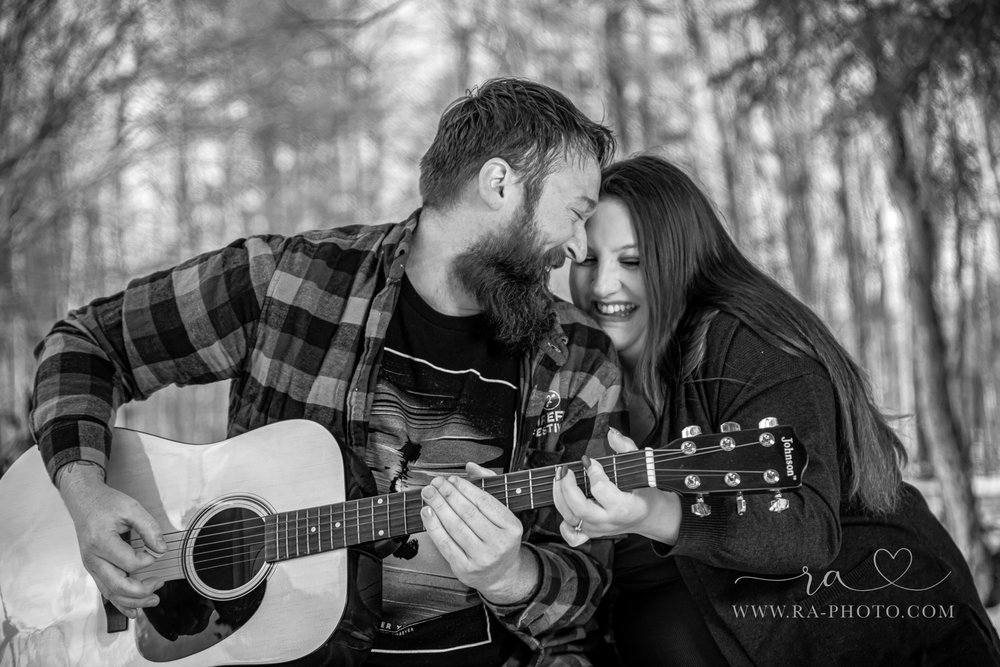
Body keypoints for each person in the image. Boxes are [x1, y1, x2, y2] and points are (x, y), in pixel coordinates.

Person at [29, 78, 624, 666]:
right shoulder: (287, 282)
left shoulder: (577, 357)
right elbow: (86, 343)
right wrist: (85, 493)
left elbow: (584, 590)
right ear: (499, 183)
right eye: (575, 214)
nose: (577, 247)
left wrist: (510, 574)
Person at [552, 154, 1000, 666]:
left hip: (881, 627)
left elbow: (803, 529)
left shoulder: (747, 341)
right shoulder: (579, 373)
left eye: (632, 262)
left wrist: (657, 513)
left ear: (679, 260)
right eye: (587, 260)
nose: (603, 284)